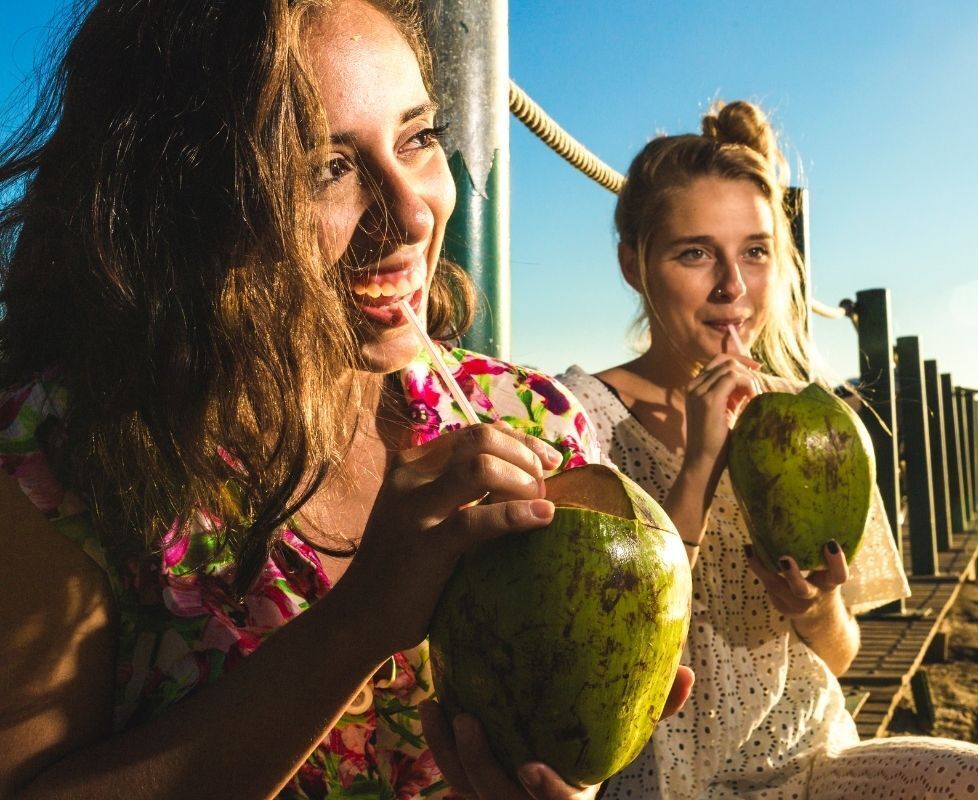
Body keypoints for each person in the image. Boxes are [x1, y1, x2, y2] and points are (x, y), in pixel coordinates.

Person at [0, 1, 690, 798]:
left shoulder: (532, 421)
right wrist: (358, 624)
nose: (409, 214)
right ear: (181, 199)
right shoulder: (58, 458)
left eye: (417, 138)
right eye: (324, 167)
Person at [559, 100, 978, 798]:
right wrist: (701, 465)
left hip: (811, 762)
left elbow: (843, 651)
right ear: (633, 263)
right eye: (696, 253)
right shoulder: (575, 418)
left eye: (756, 252)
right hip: (658, 782)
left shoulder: (819, 421)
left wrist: (815, 607)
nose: (732, 287)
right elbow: (593, 665)